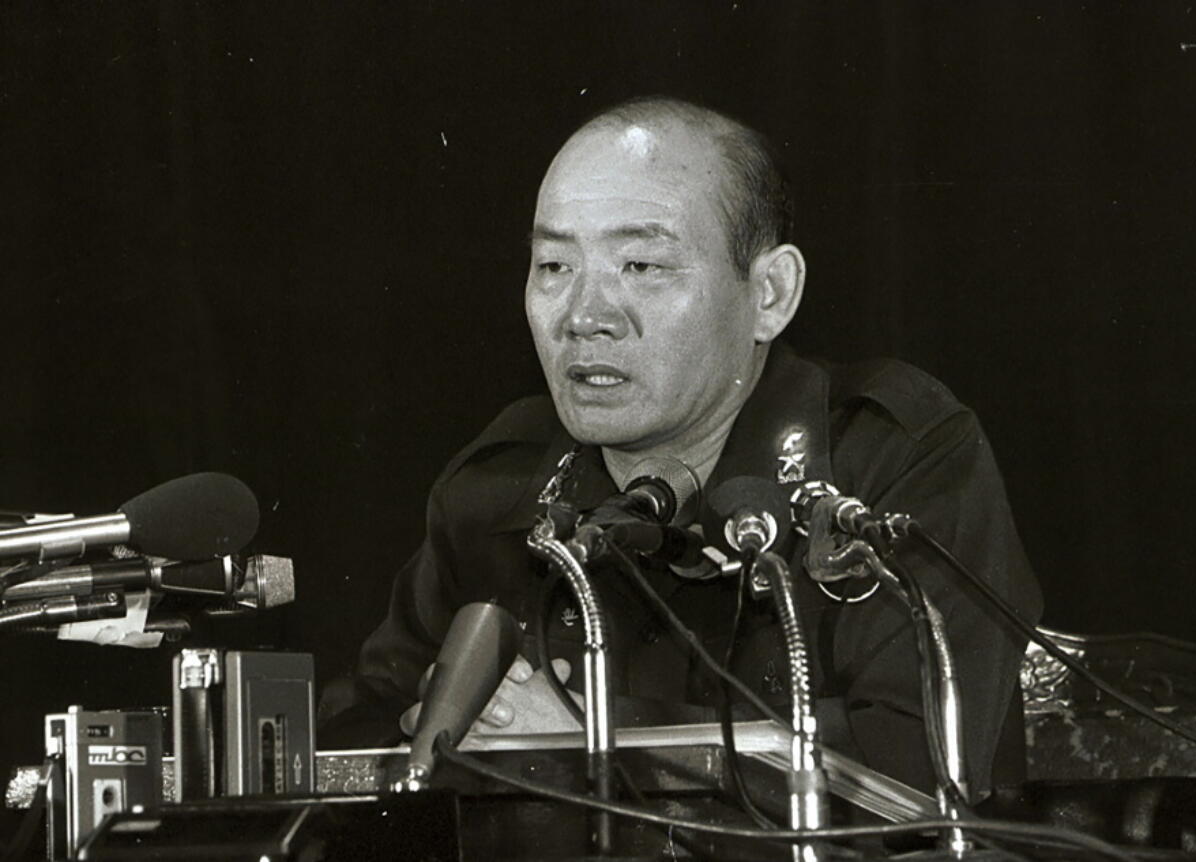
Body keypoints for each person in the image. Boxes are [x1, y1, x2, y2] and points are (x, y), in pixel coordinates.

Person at [318, 96, 1042, 803]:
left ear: (770, 293)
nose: (585, 316)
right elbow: (362, 727)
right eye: (554, 267)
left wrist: (595, 743)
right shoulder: (498, 486)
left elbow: (922, 763)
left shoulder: (886, 457)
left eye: (642, 267)